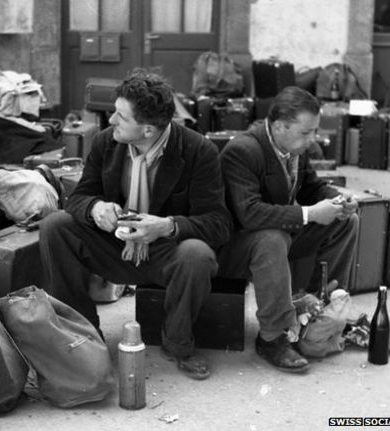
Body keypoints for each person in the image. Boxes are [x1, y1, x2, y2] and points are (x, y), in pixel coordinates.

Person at [39, 70, 231, 380]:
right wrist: (95, 207)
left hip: (166, 252)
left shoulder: (198, 151)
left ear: (148, 130)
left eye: (120, 116)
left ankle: (178, 343)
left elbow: (218, 224)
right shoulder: (105, 142)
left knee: (197, 254)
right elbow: (78, 198)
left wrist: (167, 225)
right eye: (114, 110)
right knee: (55, 226)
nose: (111, 120)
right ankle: (85, 334)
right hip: (114, 246)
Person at [216, 86, 359, 373]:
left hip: (275, 238)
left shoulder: (293, 147)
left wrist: (337, 199)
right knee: (273, 238)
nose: (313, 139)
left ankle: (324, 305)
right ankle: (272, 337)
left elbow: (311, 188)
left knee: (345, 220)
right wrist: (310, 214)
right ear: (279, 126)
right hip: (233, 249)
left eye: (314, 131)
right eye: (307, 132)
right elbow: (249, 214)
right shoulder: (242, 151)